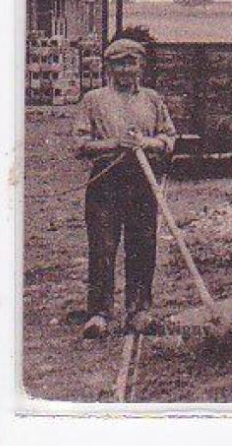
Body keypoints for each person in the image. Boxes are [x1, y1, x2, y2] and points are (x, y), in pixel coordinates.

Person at [72, 38, 177, 339]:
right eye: (119, 64)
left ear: (141, 66)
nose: (126, 70)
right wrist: (114, 144)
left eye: (131, 63)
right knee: (103, 246)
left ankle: (139, 311)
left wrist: (146, 143)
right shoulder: (94, 100)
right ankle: (99, 314)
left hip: (143, 182)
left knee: (142, 245)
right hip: (105, 182)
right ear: (109, 68)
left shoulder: (152, 100)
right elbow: (80, 144)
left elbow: (169, 138)